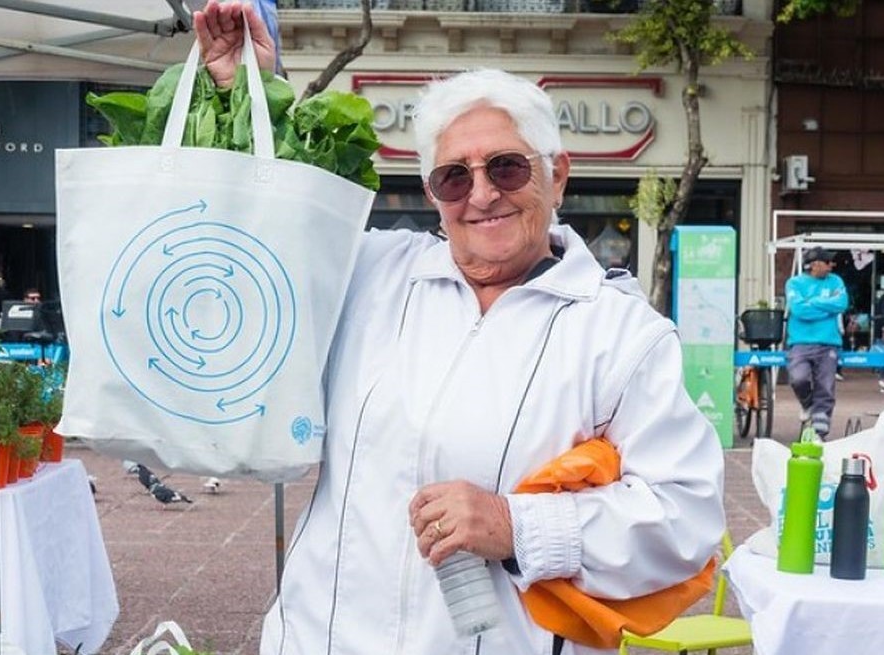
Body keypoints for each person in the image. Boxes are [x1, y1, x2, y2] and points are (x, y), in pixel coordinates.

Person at [192, 5, 726, 655]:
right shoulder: (373, 272)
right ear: (432, 192)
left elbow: (686, 518)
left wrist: (517, 524)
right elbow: (252, 237)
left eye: (506, 167)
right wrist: (243, 90)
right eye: (454, 176)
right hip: (318, 638)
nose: (480, 194)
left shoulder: (619, 335)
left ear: (556, 173)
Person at [785, 247, 848, 438]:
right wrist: (826, 307)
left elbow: (842, 304)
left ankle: (820, 432)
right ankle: (807, 404)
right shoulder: (794, 283)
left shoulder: (836, 281)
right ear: (815, 265)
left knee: (826, 385)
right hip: (800, 342)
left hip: (828, 343)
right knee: (798, 378)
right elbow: (798, 310)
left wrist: (811, 302)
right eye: (827, 262)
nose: (831, 266)